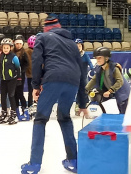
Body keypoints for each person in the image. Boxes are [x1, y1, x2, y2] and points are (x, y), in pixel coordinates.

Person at [21, 17, 88, 174]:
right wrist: (83, 103)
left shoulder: (42, 37)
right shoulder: (72, 43)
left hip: (53, 78)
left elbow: (36, 61)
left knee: (40, 119)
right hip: (72, 81)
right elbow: (82, 72)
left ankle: (34, 163)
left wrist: (35, 85)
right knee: (64, 118)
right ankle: (73, 160)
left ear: (46, 28)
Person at [85, 47, 130, 114]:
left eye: (100, 58)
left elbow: (120, 81)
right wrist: (86, 88)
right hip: (110, 89)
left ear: (106, 58)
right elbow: (94, 79)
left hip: (122, 91)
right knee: (98, 97)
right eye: (96, 58)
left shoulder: (114, 68)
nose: (97, 60)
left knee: (123, 111)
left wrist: (110, 91)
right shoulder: (99, 68)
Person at [0, 38, 21, 125]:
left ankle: (13, 114)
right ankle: (4, 113)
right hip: (3, 79)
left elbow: (18, 68)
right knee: (3, 96)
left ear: (10, 48)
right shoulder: (1, 56)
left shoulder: (14, 57)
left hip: (12, 79)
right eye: (4, 47)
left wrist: (19, 79)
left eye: (7, 48)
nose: (5, 49)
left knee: (11, 95)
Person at [74, 38, 94, 116]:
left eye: (80, 45)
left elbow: (90, 62)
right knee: (78, 91)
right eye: (77, 46)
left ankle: (84, 104)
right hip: (76, 76)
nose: (78, 47)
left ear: (82, 46)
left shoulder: (85, 55)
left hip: (84, 76)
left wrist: (93, 68)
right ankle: (77, 105)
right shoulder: (74, 55)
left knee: (85, 90)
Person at [13, 34, 30, 120]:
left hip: (20, 77)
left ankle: (25, 109)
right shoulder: (12, 53)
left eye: (20, 43)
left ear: (22, 44)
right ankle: (16, 111)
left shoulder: (24, 53)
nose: (18, 45)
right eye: (17, 43)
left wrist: (21, 71)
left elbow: (26, 64)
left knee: (20, 93)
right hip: (13, 77)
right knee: (14, 94)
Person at [26, 35, 36, 116]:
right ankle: (31, 106)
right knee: (33, 92)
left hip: (34, 75)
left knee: (32, 92)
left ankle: (32, 106)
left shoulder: (39, 51)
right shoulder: (27, 52)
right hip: (33, 75)